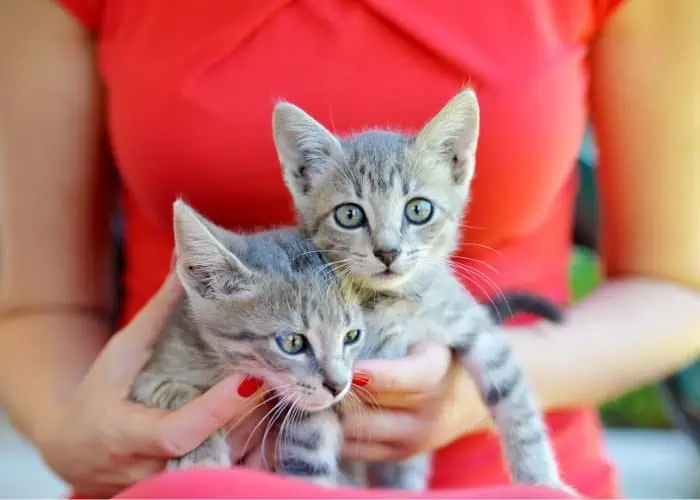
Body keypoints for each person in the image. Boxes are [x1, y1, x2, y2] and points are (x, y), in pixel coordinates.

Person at [1, 0, 700, 498]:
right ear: (303, 180)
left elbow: (680, 287)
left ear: (459, 164)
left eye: (414, 214)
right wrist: (72, 434)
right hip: (169, 471)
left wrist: (466, 399)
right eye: (356, 219)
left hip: (515, 479)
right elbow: (34, 304)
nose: (389, 248)